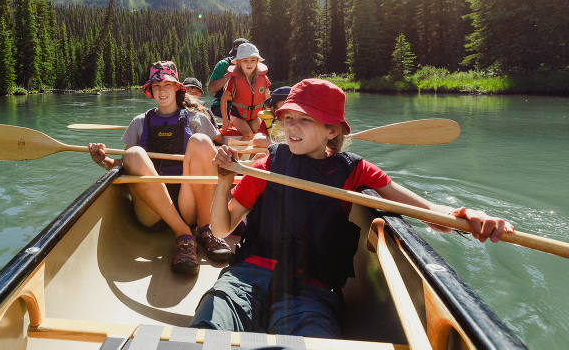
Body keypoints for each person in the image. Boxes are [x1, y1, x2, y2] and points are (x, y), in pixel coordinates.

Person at [191, 78, 514, 337]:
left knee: (314, 339)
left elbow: (426, 210)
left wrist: (468, 216)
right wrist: (224, 180)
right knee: (207, 326)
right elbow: (221, 229)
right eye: (289, 118)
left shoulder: (354, 170)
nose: (291, 127)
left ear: (332, 131)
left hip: (309, 291)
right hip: (248, 277)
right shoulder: (267, 163)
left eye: (305, 120)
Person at [88, 61, 232, 275]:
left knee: (202, 141)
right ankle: (184, 235)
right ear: (150, 90)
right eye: (156, 86)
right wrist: (102, 160)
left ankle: (204, 229)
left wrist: (227, 156)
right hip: (152, 211)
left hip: (189, 205)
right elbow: (123, 167)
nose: (162, 90)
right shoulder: (139, 122)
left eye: (166, 84)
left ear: (176, 87)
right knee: (133, 154)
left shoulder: (197, 119)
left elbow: (217, 151)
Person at [220, 43, 271, 142]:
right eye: (245, 61)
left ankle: (255, 157)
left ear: (257, 62)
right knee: (248, 135)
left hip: (255, 116)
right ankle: (235, 156)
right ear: (238, 62)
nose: (249, 64)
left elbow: (267, 100)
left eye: (253, 60)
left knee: (262, 137)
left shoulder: (263, 79)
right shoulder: (234, 80)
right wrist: (225, 120)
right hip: (237, 116)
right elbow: (223, 99)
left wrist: (267, 119)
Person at [208, 37, 248, 121]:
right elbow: (211, 89)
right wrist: (229, 74)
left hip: (247, 106)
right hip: (225, 105)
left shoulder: (252, 66)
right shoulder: (223, 65)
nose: (236, 58)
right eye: (235, 55)